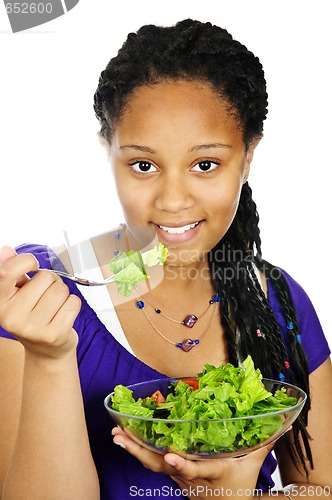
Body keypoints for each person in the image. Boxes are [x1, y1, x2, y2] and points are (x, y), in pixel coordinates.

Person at [0, 18, 331, 500]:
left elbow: (321, 488)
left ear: (249, 155)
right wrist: (50, 360)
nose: (173, 200)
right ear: (107, 151)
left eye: (205, 165)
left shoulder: (277, 302)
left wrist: (232, 493)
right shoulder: (40, 300)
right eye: (143, 165)